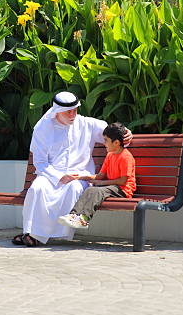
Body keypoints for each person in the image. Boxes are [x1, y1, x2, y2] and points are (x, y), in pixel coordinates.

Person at [13, 92, 132, 247]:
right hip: (50, 174)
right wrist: (58, 176)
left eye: (75, 110)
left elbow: (112, 134)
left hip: (80, 176)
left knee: (73, 188)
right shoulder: (42, 128)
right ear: (57, 111)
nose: (73, 114)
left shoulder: (86, 124)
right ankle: (32, 234)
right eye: (68, 111)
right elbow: (40, 162)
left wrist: (126, 134)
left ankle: (50, 235)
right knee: (37, 188)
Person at [58, 122, 136, 229]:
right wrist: (78, 177)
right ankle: (74, 215)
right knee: (90, 189)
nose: (104, 143)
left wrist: (102, 183)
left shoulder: (126, 157)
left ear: (116, 142)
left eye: (106, 141)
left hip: (123, 190)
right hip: (111, 188)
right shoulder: (110, 155)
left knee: (98, 191)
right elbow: (100, 176)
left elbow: (123, 181)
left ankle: (84, 219)